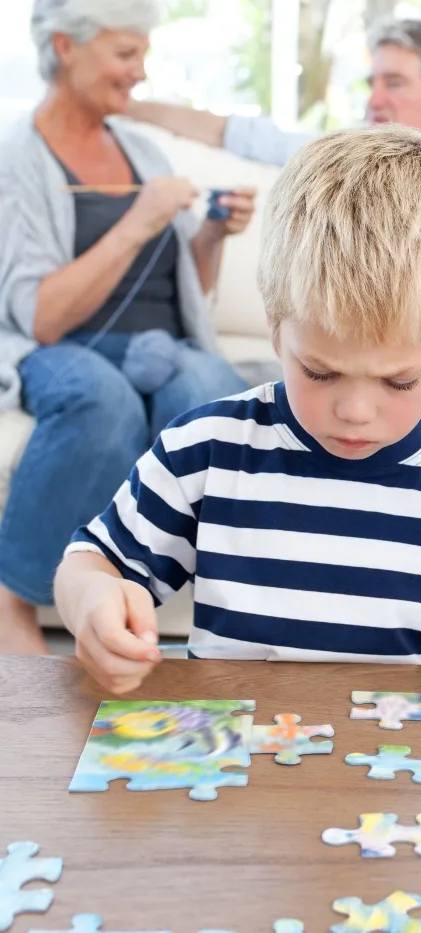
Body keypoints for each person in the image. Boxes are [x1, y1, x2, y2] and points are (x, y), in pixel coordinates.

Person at [53, 124, 421, 729]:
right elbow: (94, 561)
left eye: (398, 381)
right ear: (277, 330)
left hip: (411, 799)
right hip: (230, 781)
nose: (355, 411)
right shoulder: (206, 454)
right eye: (321, 372)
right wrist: (91, 601)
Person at [127, 18, 421, 415]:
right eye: (371, 83)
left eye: (394, 84)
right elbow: (242, 135)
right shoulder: (348, 157)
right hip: (388, 324)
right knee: (344, 360)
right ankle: (230, 385)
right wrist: (122, 103)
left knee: (406, 362)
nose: (375, 100)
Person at [0, 0, 258, 655]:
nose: (139, 73)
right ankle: (12, 601)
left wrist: (212, 234)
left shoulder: (140, 149)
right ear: (65, 46)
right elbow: (40, 315)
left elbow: (188, 294)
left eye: (142, 53)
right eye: (125, 53)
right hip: (62, 349)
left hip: (162, 346)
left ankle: (236, 613)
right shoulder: (19, 161)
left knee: (206, 391)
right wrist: (138, 220)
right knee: (101, 398)